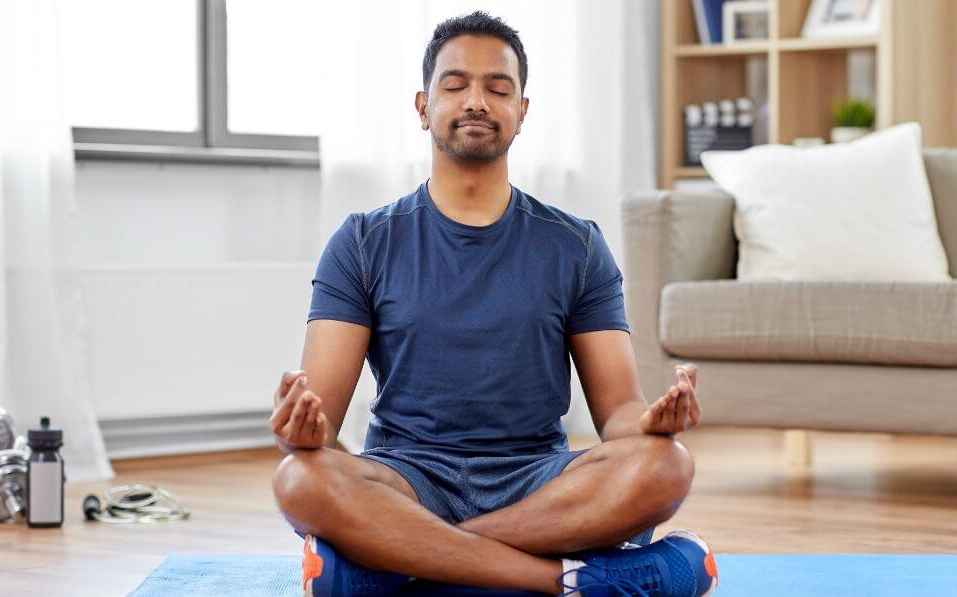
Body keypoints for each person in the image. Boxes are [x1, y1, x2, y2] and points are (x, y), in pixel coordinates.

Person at [270, 11, 717, 597]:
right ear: (423, 106)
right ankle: (570, 580)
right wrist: (299, 434)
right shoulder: (361, 242)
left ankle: (397, 561)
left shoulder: (576, 245)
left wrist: (653, 422)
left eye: (497, 88)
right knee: (299, 480)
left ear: (521, 112)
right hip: (406, 475)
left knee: (667, 464)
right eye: (455, 85)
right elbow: (320, 430)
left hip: (537, 478)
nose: (476, 100)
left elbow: (617, 415)